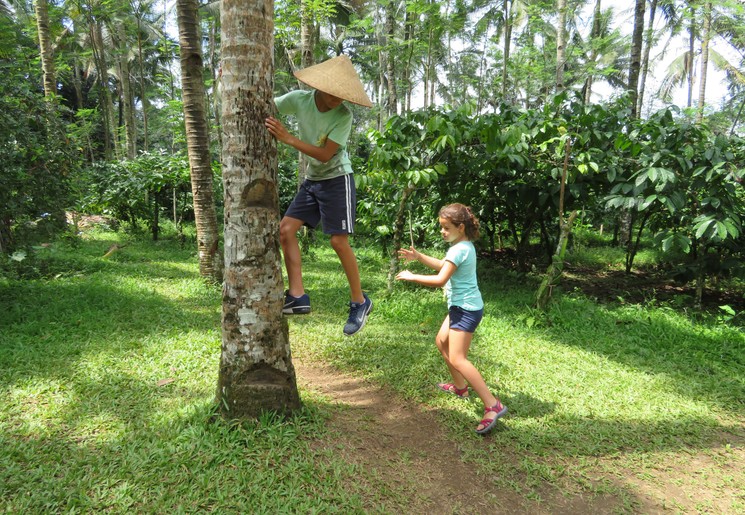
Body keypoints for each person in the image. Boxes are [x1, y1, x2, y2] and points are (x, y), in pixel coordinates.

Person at [265, 55, 373, 336]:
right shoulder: (299, 99)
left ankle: (359, 302)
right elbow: (266, 106)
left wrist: (288, 138)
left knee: (338, 241)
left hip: (338, 179)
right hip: (313, 180)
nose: (339, 100)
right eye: (335, 93)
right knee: (286, 230)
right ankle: (298, 295)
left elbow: (326, 156)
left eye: (344, 96)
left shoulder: (343, 116)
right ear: (321, 86)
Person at [396, 203, 507, 434]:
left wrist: (411, 275)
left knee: (458, 358)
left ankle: (492, 404)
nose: (442, 231)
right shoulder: (462, 246)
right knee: (441, 341)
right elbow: (445, 266)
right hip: (462, 307)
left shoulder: (459, 249)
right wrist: (418, 256)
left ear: (461, 227)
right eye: (442, 227)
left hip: (465, 310)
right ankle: (460, 387)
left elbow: (439, 279)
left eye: (446, 227)